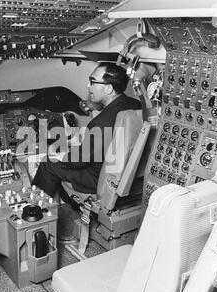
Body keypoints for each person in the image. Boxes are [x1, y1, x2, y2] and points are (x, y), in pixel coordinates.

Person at [32, 62, 141, 199]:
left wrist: (62, 157)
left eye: (92, 81)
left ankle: (35, 206)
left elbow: (79, 160)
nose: (87, 86)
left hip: (97, 179)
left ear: (108, 89)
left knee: (49, 162)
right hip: (126, 174)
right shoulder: (135, 105)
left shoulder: (100, 123)